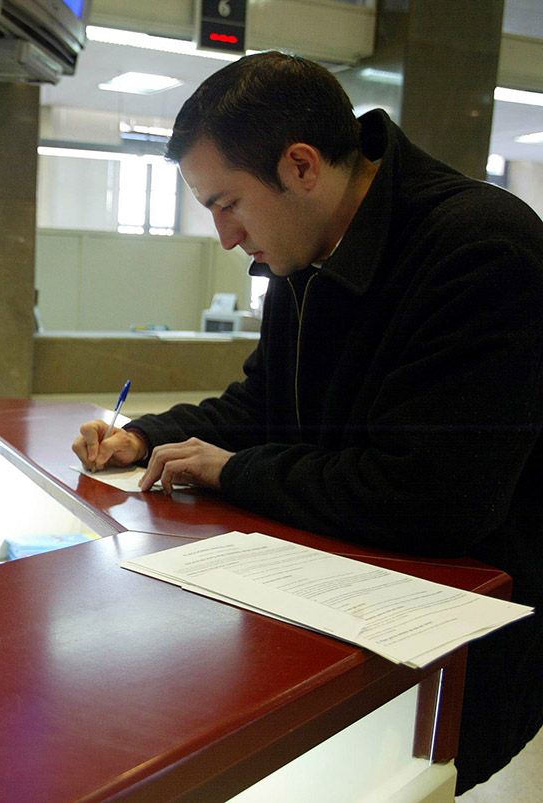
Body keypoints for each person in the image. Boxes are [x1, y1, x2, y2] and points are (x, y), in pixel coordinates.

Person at [72, 51, 543, 793]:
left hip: (452, 651)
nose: (226, 237)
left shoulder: (480, 248)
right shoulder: (305, 254)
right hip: (332, 609)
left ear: (300, 166)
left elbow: (432, 496)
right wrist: (148, 436)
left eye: (227, 203)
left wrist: (231, 469)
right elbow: (262, 408)